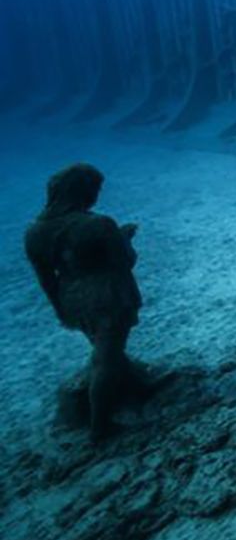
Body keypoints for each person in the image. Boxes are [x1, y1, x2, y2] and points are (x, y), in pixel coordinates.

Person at [24, 163, 145, 442]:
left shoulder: (35, 232)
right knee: (107, 358)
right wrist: (124, 238)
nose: (97, 195)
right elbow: (126, 261)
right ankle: (99, 427)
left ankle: (127, 388)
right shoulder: (98, 225)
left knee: (105, 350)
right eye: (95, 189)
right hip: (107, 295)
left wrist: (59, 307)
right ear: (83, 191)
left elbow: (45, 277)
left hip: (71, 296)